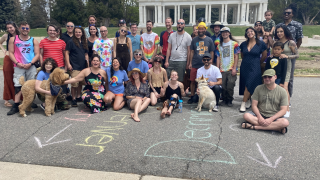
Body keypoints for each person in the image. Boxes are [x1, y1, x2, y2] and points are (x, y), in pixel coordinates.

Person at [7, 21, 40, 115]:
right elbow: (11, 53)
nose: (25, 30)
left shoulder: (34, 40)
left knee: (31, 85)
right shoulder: (13, 39)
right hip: (18, 66)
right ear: (20, 29)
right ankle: (16, 105)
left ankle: (29, 102)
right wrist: (17, 63)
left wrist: (31, 63)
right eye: (23, 28)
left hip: (30, 66)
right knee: (18, 85)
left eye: (27, 28)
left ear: (29, 29)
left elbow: (37, 54)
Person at [241, 69, 289, 134]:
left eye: (269, 77)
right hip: (260, 114)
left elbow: (284, 110)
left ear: (275, 77)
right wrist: (259, 117)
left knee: (285, 122)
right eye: (265, 77)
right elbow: (254, 105)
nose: (267, 78)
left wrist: (271, 119)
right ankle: (277, 128)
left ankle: (254, 127)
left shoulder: (282, 91)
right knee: (246, 115)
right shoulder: (258, 88)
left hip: (274, 116)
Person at [276, 4, 303, 101]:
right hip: (280, 54)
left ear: (292, 14)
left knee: (289, 78)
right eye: (285, 13)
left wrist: (293, 50)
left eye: (289, 13)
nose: (286, 14)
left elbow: (299, 39)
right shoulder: (279, 25)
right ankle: (278, 97)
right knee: (279, 75)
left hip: (290, 53)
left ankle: (288, 98)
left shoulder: (297, 25)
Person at [39, 24, 69, 110]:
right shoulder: (43, 42)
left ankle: (60, 102)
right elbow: (40, 55)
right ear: (47, 31)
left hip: (59, 67)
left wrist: (65, 68)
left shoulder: (62, 42)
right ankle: (46, 103)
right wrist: (42, 65)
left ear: (57, 32)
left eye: (54, 30)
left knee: (61, 86)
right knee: (48, 85)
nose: (52, 32)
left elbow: (65, 56)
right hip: (48, 68)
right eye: (50, 30)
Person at [239, 27, 267, 113]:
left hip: (255, 66)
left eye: (251, 31)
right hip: (244, 65)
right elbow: (242, 55)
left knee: (250, 83)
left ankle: (243, 103)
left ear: (254, 33)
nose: (249, 33)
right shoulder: (243, 44)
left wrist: (258, 62)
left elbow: (264, 55)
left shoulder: (261, 44)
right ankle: (248, 100)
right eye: (247, 32)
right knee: (245, 83)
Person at [274, 25, 299, 117]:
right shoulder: (276, 42)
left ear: (285, 32)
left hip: (287, 67)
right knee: (277, 86)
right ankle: (278, 106)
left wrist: (287, 56)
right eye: (277, 32)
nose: (279, 33)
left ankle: (287, 109)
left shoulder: (290, 42)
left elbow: (297, 55)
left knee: (285, 87)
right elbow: (274, 52)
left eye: (281, 31)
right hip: (277, 66)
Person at [188, 22, 215, 104]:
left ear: (205, 29)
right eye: (199, 29)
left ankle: (204, 96)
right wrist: (190, 63)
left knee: (204, 82)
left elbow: (212, 52)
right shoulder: (194, 40)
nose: (200, 30)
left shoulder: (209, 40)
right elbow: (192, 52)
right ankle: (192, 96)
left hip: (205, 65)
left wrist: (211, 62)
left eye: (202, 29)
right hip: (195, 63)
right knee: (193, 81)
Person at [215, 27, 240, 107]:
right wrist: (217, 69)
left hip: (231, 68)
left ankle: (229, 99)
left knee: (230, 84)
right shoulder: (219, 45)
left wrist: (234, 68)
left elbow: (236, 56)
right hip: (222, 68)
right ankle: (224, 99)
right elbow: (218, 57)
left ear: (229, 33)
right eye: (222, 32)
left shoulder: (234, 44)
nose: (224, 34)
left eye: (226, 32)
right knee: (223, 86)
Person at [65, 26, 89, 107]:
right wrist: (68, 64)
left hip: (83, 66)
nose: (78, 34)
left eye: (79, 32)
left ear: (82, 33)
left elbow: (86, 54)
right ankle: (74, 98)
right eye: (76, 32)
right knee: (74, 83)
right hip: (74, 66)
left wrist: (88, 65)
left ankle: (78, 96)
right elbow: (67, 53)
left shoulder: (84, 42)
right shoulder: (71, 42)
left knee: (80, 83)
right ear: (74, 33)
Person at [0, 21, 19, 107]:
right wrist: (4, 50)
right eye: (8, 28)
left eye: (11, 27)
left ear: (15, 27)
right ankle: (6, 100)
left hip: (18, 59)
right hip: (8, 59)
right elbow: (0, 43)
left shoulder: (20, 36)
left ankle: (18, 98)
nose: (9, 29)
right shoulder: (6, 36)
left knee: (18, 78)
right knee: (8, 78)